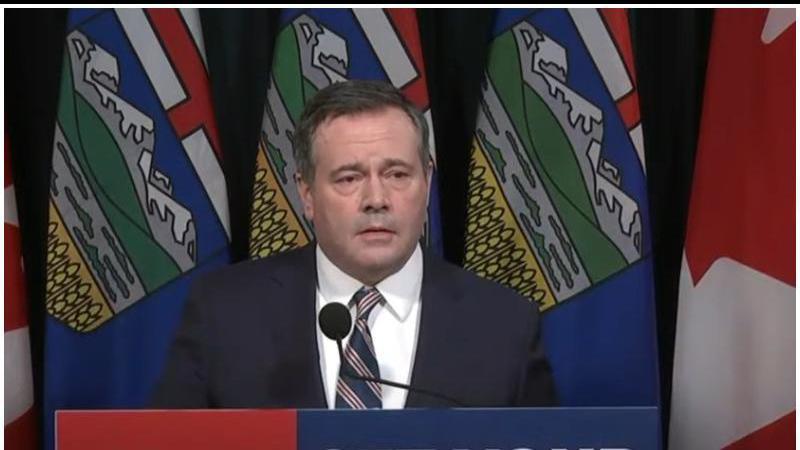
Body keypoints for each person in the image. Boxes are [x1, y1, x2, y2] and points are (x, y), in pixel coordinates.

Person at [151, 80, 556, 409]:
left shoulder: (505, 325)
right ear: (306, 193)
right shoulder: (224, 312)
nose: (376, 199)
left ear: (427, 181)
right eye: (349, 178)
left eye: (397, 174)